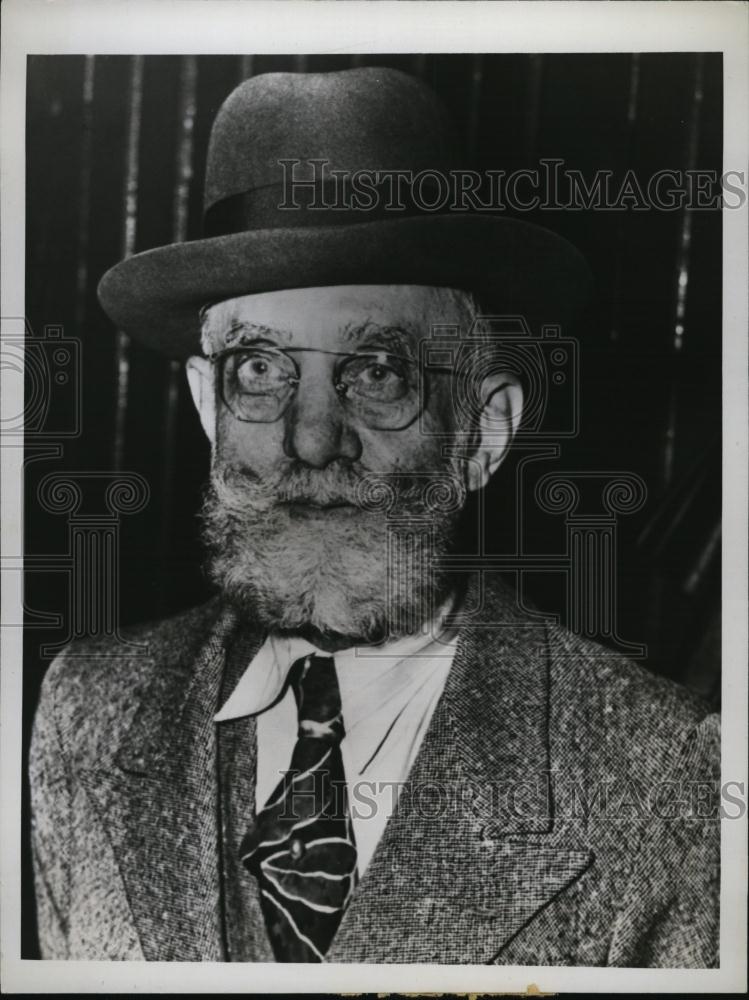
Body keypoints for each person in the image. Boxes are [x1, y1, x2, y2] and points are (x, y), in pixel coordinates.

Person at [29, 66, 720, 966]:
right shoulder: (86, 713)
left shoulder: (662, 771)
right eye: (260, 371)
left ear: (481, 432)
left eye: (378, 372)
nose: (312, 440)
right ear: (208, 408)